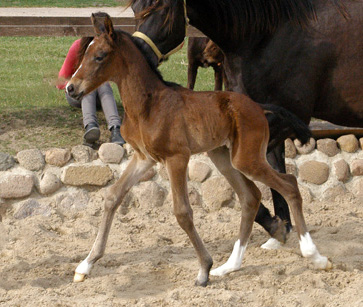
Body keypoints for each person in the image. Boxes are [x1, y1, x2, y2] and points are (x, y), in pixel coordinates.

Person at [57, 37, 126, 146]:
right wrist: (74, 85)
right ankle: (91, 126)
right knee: (87, 87)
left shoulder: (105, 49)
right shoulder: (77, 47)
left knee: (102, 85)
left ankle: (116, 129)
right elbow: (60, 81)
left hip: (101, 95)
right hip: (76, 95)